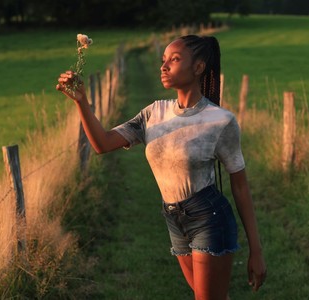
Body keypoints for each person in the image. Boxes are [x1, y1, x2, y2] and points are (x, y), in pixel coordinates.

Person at [56, 34, 267, 299]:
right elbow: (102, 143)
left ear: (198, 67)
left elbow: (240, 186)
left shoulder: (221, 121)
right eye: (163, 60)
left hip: (209, 217)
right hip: (174, 218)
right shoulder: (153, 113)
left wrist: (256, 251)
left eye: (174, 60)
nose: (164, 66)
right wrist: (81, 101)